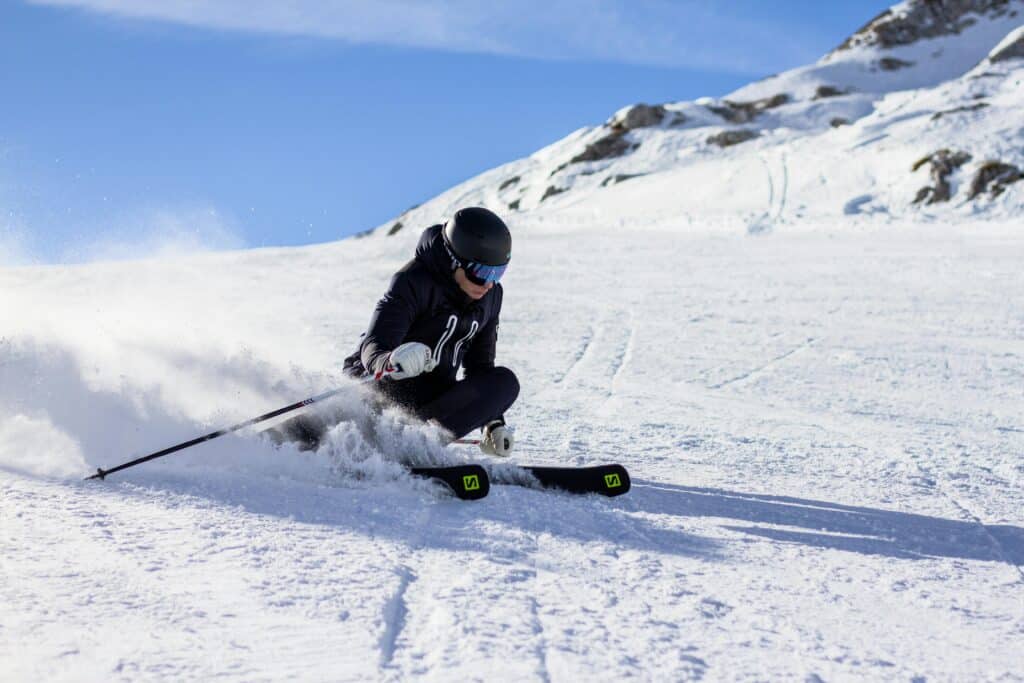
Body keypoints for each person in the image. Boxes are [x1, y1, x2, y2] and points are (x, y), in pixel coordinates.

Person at [339, 206, 519, 456]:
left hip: (429, 402)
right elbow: (373, 345)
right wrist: (390, 361)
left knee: (504, 383)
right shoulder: (413, 281)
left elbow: (480, 368)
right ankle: (384, 440)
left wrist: (492, 421)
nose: (488, 284)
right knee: (318, 427)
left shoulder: (491, 297)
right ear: (454, 260)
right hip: (380, 391)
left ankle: (414, 443)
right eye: (481, 273)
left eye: (498, 273)